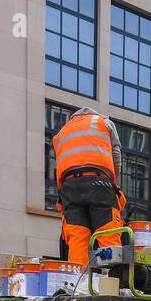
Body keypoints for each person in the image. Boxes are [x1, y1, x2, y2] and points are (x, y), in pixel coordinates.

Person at [52, 107, 127, 265]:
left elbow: (60, 164)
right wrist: (113, 183)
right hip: (98, 182)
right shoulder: (103, 122)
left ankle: (80, 283)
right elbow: (116, 155)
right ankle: (110, 280)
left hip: (69, 187)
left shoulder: (62, 132)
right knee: (109, 235)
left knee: (77, 240)